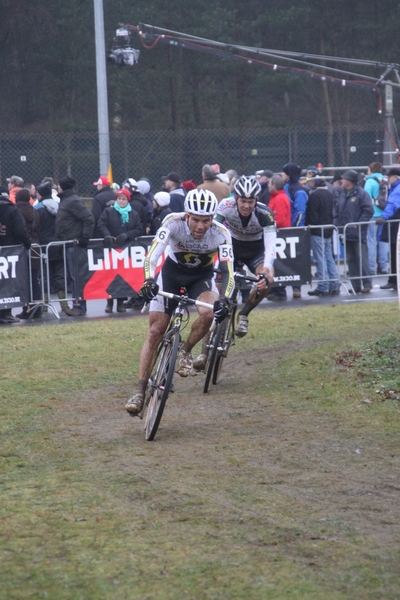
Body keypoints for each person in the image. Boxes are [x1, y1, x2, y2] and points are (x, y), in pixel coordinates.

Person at [125, 189, 234, 416]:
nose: (200, 226)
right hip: (170, 276)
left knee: (209, 313)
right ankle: (139, 390)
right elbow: (153, 255)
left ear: (213, 218)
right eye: (195, 220)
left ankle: (185, 351)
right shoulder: (172, 222)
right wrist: (148, 280)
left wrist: (224, 299)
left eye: (206, 220)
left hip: (201, 278)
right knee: (156, 331)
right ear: (186, 215)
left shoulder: (221, 233)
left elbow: (227, 271)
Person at [213, 175, 275, 337]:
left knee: (268, 279)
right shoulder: (225, 206)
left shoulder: (265, 214)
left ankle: (244, 314)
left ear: (256, 200)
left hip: (256, 251)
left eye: (251, 202)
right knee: (218, 288)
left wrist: (265, 271)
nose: (247, 206)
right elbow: (214, 233)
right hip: (232, 247)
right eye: (243, 201)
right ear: (235, 198)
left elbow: (270, 247)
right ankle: (206, 350)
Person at [97, 188, 143, 313]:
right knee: (110, 276)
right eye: (119, 198)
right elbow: (101, 224)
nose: (121, 201)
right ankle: (109, 302)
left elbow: (139, 229)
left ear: (128, 200)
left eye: (124, 199)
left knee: (123, 276)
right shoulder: (108, 211)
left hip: (126, 250)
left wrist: (127, 235)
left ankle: (121, 302)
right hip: (111, 249)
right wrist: (107, 235)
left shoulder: (133, 214)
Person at [55, 176, 95, 316]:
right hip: (68, 244)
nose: (57, 187)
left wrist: (84, 237)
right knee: (73, 277)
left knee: (77, 276)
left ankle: (79, 307)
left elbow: (88, 218)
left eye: (59, 185)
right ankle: (76, 305)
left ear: (63, 187)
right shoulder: (67, 200)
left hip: (74, 245)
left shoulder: (72, 201)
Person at [333, 169, 373, 293]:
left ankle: (367, 283)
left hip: (358, 232)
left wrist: (357, 224)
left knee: (362, 258)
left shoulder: (362, 194)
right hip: (345, 232)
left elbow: (368, 210)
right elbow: (336, 210)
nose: (341, 180)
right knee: (351, 259)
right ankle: (355, 284)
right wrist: (337, 224)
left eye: (344, 179)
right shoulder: (341, 193)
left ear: (350, 181)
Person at [0, 186, 31, 324]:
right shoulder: (12, 209)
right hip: (9, 251)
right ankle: (5, 312)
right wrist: (27, 243)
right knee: (8, 282)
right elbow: (20, 230)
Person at [305, 177, 340, 296]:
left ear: (315, 183)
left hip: (317, 230)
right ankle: (334, 283)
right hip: (328, 229)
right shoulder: (329, 194)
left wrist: (310, 225)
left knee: (320, 258)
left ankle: (323, 285)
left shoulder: (314, 196)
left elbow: (312, 213)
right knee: (329, 257)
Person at [281, 163, 309, 298]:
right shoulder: (286, 187)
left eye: (283, 173)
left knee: (295, 259)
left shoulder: (299, 190)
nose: (281, 175)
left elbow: (300, 213)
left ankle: (296, 288)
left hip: (295, 230)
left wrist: (295, 228)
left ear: (289, 174)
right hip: (286, 229)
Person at [15, 188, 42, 319]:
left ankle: (27, 308)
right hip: (36, 246)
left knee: (24, 281)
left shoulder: (17, 211)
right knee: (34, 279)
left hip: (22, 247)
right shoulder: (35, 211)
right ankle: (37, 308)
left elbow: (20, 231)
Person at [265, 174, 291, 301]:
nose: (268, 185)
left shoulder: (279, 199)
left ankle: (279, 291)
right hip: (278, 234)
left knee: (278, 263)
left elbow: (279, 220)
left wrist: (268, 225)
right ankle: (276, 290)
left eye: (269, 183)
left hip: (279, 235)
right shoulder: (277, 197)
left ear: (274, 185)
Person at [376, 167, 400, 291]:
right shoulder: (394, 188)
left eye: (389, 176)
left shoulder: (397, 189)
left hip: (396, 225)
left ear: (395, 177)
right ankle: (394, 280)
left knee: (395, 252)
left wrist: (383, 217)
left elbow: (393, 204)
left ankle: (394, 280)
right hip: (395, 224)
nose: (388, 179)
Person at [364, 162, 389, 275]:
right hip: (384, 214)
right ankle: (384, 266)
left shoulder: (370, 181)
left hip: (373, 214)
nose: (367, 172)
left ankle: (372, 267)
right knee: (383, 241)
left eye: (368, 170)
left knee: (371, 240)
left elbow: (366, 198)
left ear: (372, 170)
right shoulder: (386, 180)